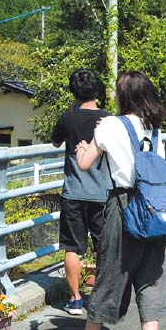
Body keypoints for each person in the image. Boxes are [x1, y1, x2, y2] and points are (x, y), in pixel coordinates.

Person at [61, 71, 166, 330]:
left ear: (123, 95)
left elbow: (85, 164)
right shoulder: (156, 126)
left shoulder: (112, 124)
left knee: (112, 271)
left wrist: (85, 149)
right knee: (151, 276)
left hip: (124, 205)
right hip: (155, 206)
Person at [51, 69, 110, 315]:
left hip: (74, 192)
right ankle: (102, 297)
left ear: (73, 92)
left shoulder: (67, 118)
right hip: (102, 192)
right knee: (104, 247)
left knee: (72, 247)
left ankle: (76, 299)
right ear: (98, 90)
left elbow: (55, 142)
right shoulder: (108, 120)